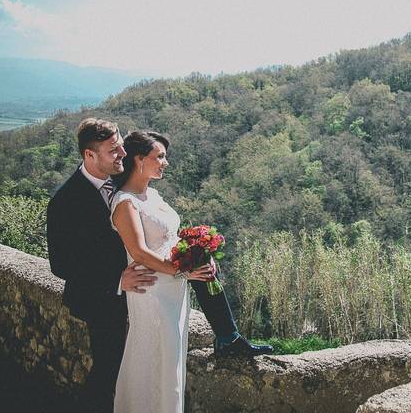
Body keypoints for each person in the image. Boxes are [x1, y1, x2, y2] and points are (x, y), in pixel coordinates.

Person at [46, 119, 269, 413]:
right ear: (90, 155)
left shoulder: (124, 182)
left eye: (122, 148)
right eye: (114, 151)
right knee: (109, 372)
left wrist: (194, 252)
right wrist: (116, 280)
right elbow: (62, 265)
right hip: (104, 296)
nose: (122, 155)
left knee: (158, 362)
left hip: (151, 284)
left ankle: (228, 336)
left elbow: (154, 232)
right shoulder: (65, 201)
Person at [108, 130, 214, 413]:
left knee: (172, 359)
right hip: (151, 289)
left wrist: (196, 253)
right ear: (139, 159)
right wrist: (182, 272)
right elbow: (140, 252)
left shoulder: (151, 194)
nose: (165, 162)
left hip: (173, 288)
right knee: (155, 357)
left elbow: (171, 237)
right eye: (160, 156)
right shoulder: (125, 202)